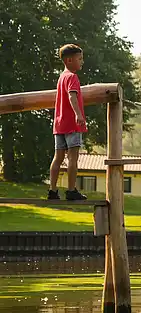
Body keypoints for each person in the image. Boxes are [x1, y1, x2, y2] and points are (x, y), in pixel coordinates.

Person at [48, 44, 88, 201]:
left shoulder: (61, 77)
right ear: (69, 60)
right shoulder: (72, 77)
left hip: (59, 124)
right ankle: (71, 191)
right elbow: (72, 96)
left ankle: (52, 190)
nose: (81, 62)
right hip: (72, 123)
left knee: (57, 158)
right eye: (79, 59)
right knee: (73, 158)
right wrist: (79, 115)